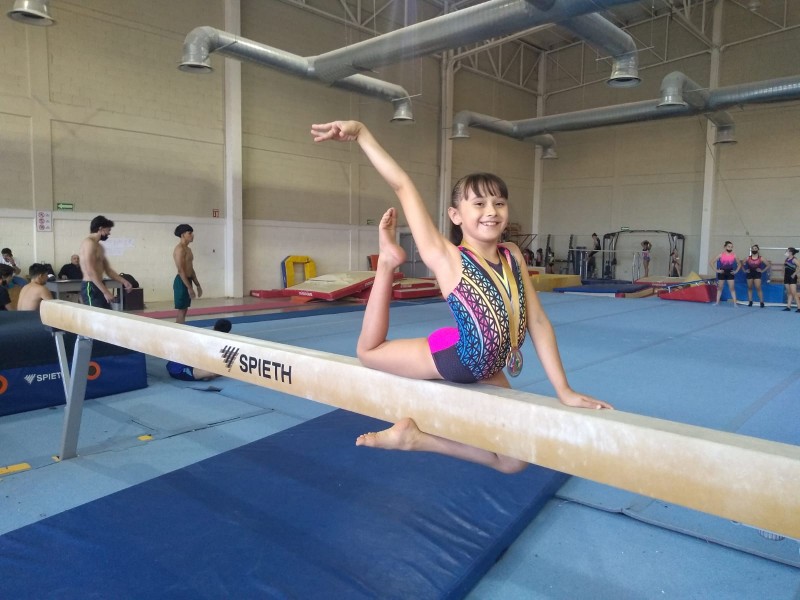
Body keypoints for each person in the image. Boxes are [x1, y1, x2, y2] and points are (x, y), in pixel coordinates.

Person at [311, 120, 612, 474]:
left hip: (489, 362)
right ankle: (388, 262)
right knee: (367, 352)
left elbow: (539, 321)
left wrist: (564, 390)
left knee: (513, 462)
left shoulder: (513, 253)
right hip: (456, 358)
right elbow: (403, 185)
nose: (491, 211)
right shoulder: (447, 257)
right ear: (456, 215)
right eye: (479, 203)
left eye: (499, 203)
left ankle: (416, 438)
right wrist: (363, 134)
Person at [79, 215, 132, 309]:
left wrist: (123, 281)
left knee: (106, 317)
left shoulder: (100, 247)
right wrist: (106, 292)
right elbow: (90, 271)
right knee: (95, 318)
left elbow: (108, 270)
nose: (109, 233)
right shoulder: (88, 243)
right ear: (101, 228)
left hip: (100, 284)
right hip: (90, 286)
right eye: (108, 230)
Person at [166, 319, 233, 381]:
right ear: (227, 332)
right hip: (179, 369)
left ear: (214, 326)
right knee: (217, 370)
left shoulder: (204, 335)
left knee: (217, 368)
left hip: (175, 364)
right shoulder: (213, 341)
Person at [173, 224, 202, 324]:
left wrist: (197, 285)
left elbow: (191, 269)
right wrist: (190, 288)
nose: (192, 235)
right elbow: (181, 270)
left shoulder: (188, 250)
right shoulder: (179, 249)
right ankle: (178, 333)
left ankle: (181, 330)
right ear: (182, 235)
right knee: (181, 310)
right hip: (181, 281)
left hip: (188, 280)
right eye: (189, 233)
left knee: (185, 310)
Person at [710, 241, 740, 306]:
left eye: (731, 247)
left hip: (730, 272)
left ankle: (735, 303)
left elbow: (739, 264)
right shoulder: (721, 255)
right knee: (720, 288)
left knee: (732, 288)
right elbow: (711, 262)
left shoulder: (734, 255)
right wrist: (716, 270)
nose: (730, 248)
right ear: (725, 247)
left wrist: (736, 271)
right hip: (722, 272)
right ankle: (717, 302)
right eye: (729, 246)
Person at [783, 247, 798, 312]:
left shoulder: (794, 259)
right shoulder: (786, 259)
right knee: (789, 293)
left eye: (787, 251)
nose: (786, 252)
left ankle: (799, 307)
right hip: (786, 277)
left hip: (792, 277)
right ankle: (788, 307)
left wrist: (794, 274)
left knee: (794, 293)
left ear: (791, 252)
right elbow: (784, 266)